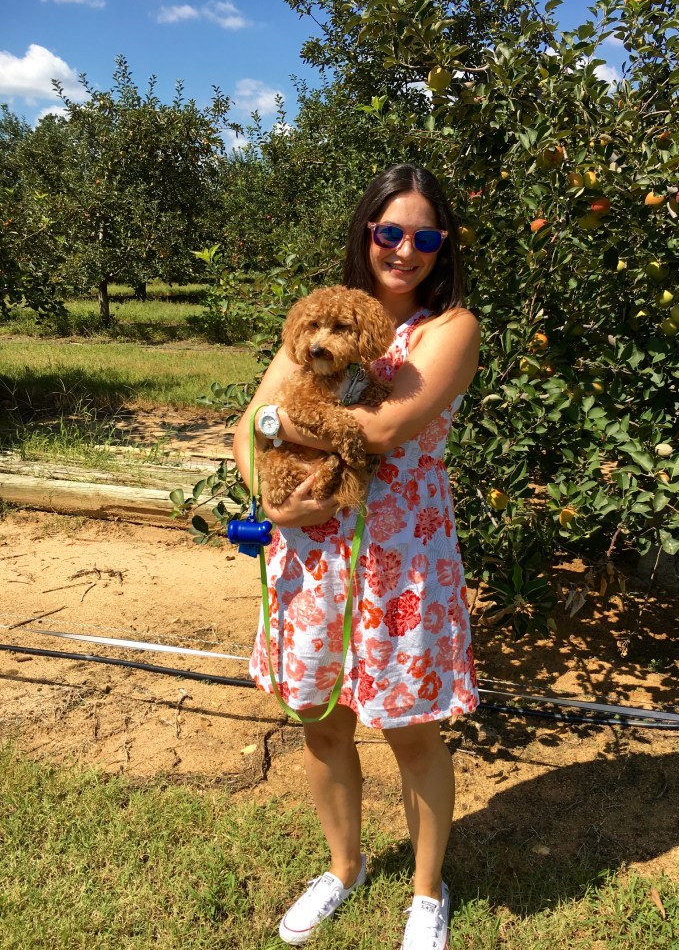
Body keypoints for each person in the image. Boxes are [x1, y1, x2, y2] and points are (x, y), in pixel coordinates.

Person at [232, 163, 480, 949]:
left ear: (443, 247)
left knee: (410, 729)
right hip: (311, 556)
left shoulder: (447, 331)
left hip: (402, 563)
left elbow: (376, 434)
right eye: (390, 232)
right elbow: (247, 426)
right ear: (366, 234)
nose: (406, 249)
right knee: (322, 722)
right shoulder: (313, 321)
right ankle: (344, 867)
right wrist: (269, 494)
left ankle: (426, 892)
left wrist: (276, 428)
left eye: (425, 236)